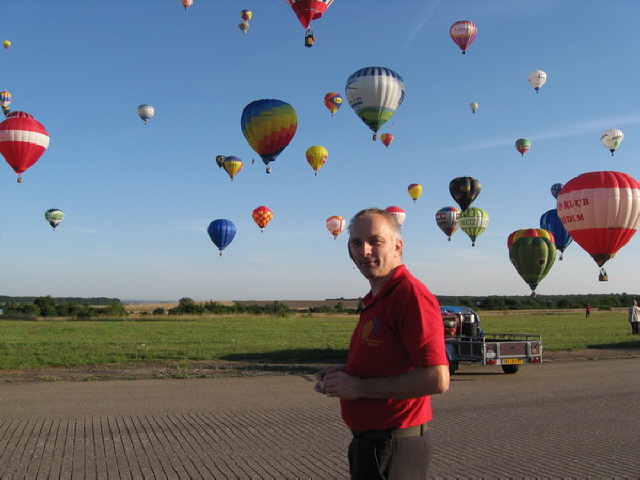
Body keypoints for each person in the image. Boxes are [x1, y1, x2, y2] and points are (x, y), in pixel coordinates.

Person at [315, 208, 450, 479]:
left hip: (392, 444)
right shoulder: (378, 298)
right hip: (372, 444)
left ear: (397, 246)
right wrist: (346, 373)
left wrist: (359, 387)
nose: (364, 251)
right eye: (356, 243)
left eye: (375, 241)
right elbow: (389, 361)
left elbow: (437, 379)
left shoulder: (410, 296)